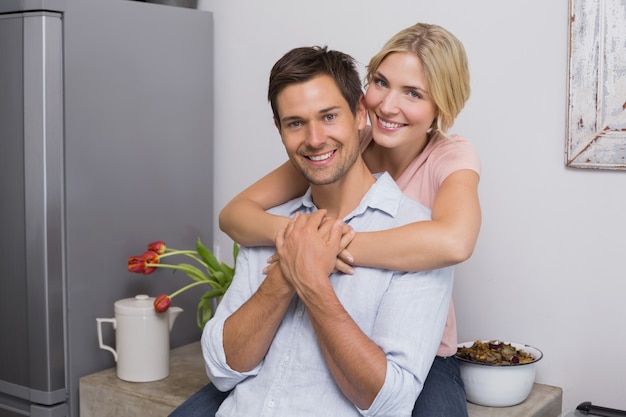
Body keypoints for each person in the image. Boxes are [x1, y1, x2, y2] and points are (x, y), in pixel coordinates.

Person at [169, 22, 479, 417]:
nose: (389, 105)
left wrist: (324, 250)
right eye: (381, 83)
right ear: (363, 106)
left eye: (414, 93)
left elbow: (454, 242)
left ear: (441, 107)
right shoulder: (335, 145)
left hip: (424, 347)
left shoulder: (448, 158)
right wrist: (297, 243)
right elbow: (236, 215)